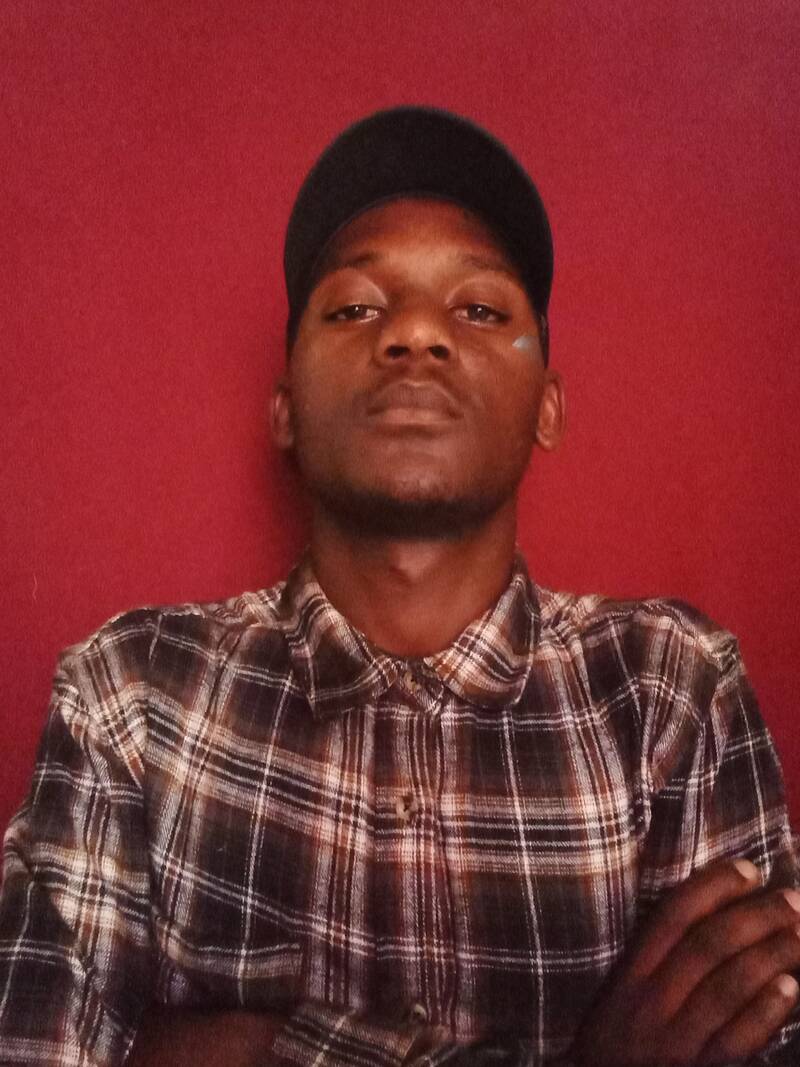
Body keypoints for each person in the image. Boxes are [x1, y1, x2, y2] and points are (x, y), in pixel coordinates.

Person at [0, 106, 798, 1067]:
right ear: (285, 410)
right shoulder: (129, 694)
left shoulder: (673, 689)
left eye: (480, 310)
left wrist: (228, 1047)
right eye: (354, 308)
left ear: (547, 408)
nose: (415, 333)